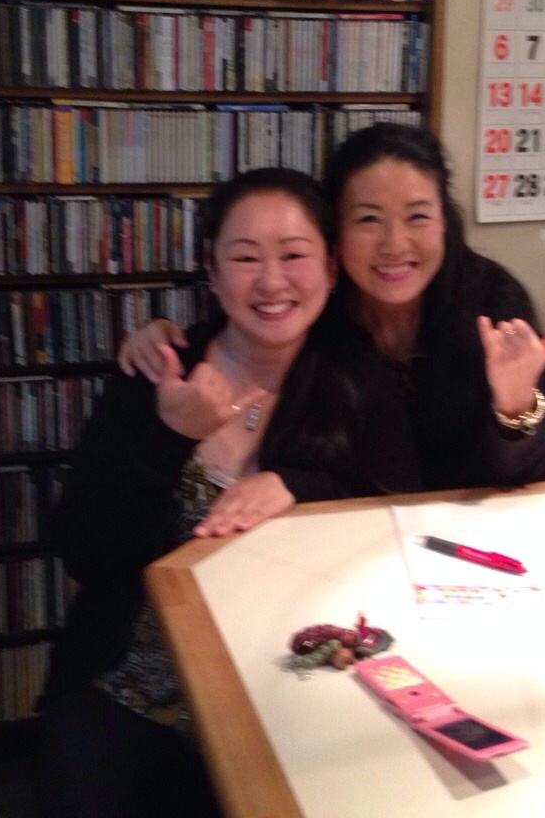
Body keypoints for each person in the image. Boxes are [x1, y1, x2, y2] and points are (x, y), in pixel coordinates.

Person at [39, 167, 419, 818]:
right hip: (136, 682)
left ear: (331, 268)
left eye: (293, 255)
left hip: (293, 683)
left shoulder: (356, 378)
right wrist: (169, 438)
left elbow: (399, 507)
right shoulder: (157, 373)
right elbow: (86, 549)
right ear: (212, 273)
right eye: (245, 258)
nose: (271, 281)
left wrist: (297, 485)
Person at [118, 122, 545, 489]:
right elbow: (246, 317)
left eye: (418, 216)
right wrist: (160, 336)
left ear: (445, 220)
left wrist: (514, 408)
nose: (394, 244)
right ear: (333, 234)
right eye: (368, 219)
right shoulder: (315, 309)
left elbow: (520, 480)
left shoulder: (490, 306)